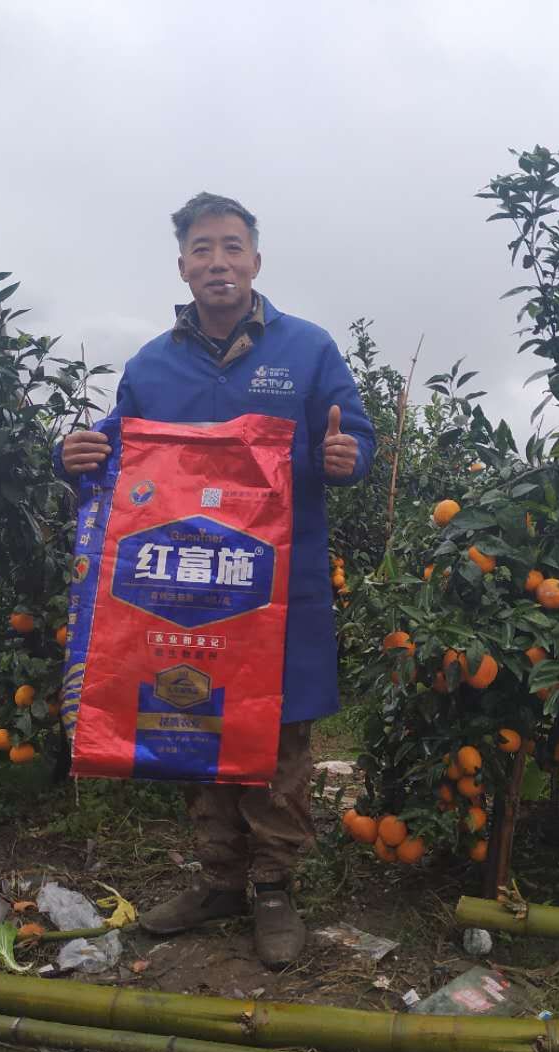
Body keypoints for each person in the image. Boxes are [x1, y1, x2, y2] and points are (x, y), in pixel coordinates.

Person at [56, 192, 374, 968]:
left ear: (256, 262)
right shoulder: (153, 364)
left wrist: (348, 457)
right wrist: (77, 457)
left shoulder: (307, 350)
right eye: (203, 249)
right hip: (186, 592)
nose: (218, 262)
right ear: (184, 266)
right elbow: (116, 447)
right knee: (192, 730)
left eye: (232, 247)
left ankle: (273, 887)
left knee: (276, 742)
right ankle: (220, 880)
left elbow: (354, 434)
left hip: (276, 589)